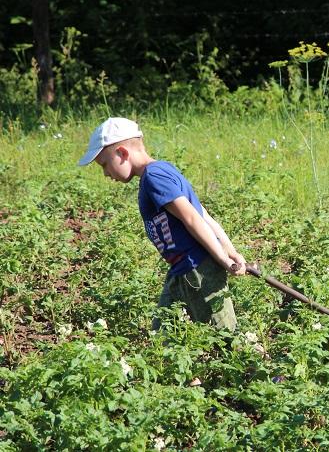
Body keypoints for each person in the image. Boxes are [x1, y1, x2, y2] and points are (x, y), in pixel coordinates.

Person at [78, 117, 245, 331]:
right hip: (180, 271)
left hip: (198, 270)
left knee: (228, 338)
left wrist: (225, 259)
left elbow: (193, 218)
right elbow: (204, 215)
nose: (105, 173)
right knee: (162, 336)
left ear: (122, 153)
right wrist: (230, 250)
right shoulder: (162, 171)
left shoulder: (154, 177)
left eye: (104, 165)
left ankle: (259, 363)